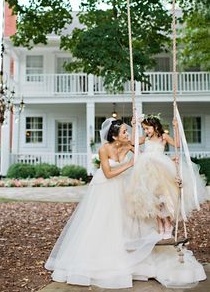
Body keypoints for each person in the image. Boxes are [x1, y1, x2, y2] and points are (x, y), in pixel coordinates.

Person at [45, 117, 207, 289]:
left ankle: (137, 250)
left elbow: (145, 156)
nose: (128, 133)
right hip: (105, 187)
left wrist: (165, 159)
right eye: (124, 131)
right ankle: (103, 257)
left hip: (122, 185)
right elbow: (108, 173)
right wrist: (130, 163)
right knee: (105, 221)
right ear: (115, 136)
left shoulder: (128, 145)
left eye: (127, 130)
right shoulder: (104, 149)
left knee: (129, 219)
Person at [126, 114, 207, 239]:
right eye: (144, 129)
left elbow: (177, 144)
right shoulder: (145, 138)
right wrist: (133, 127)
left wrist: (176, 128)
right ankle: (160, 226)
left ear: (155, 126)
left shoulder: (163, 137)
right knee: (153, 199)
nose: (146, 131)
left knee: (164, 197)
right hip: (146, 171)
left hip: (161, 170)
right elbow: (132, 142)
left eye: (148, 128)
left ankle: (168, 225)